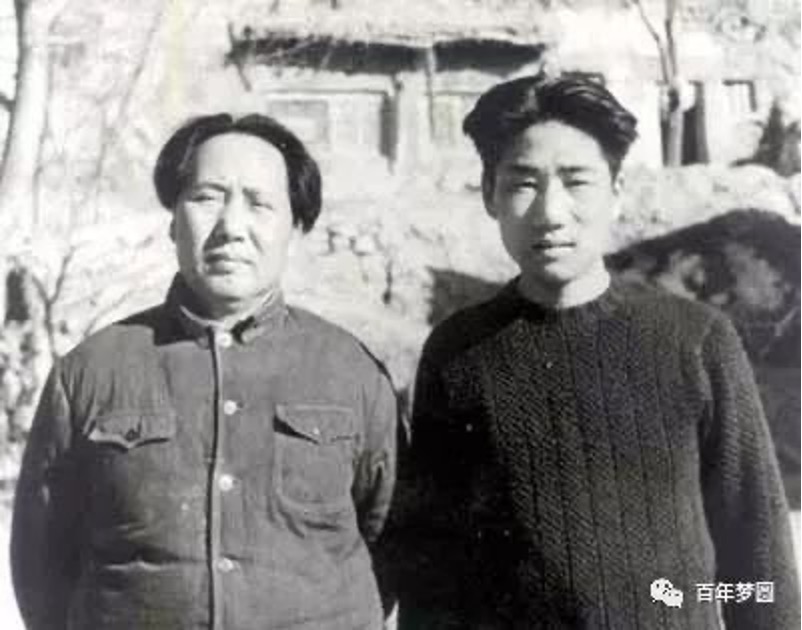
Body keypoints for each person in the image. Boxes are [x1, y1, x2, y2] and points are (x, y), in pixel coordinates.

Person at [396, 75, 800, 629]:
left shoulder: (696, 340)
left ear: (616, 191)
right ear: (490, 194)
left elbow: (758, 553)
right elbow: (434, 573)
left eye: (576, 181)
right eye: (524, 183)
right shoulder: (458, 352)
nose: (551, 212)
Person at [11, 113, 398, 630]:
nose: (231, 228)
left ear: (295, 227)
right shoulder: (88, 373)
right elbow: (42, 566)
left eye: (259, 203)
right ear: (173, 219)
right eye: (207, 197)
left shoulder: (353, 373)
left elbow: (394, 545)